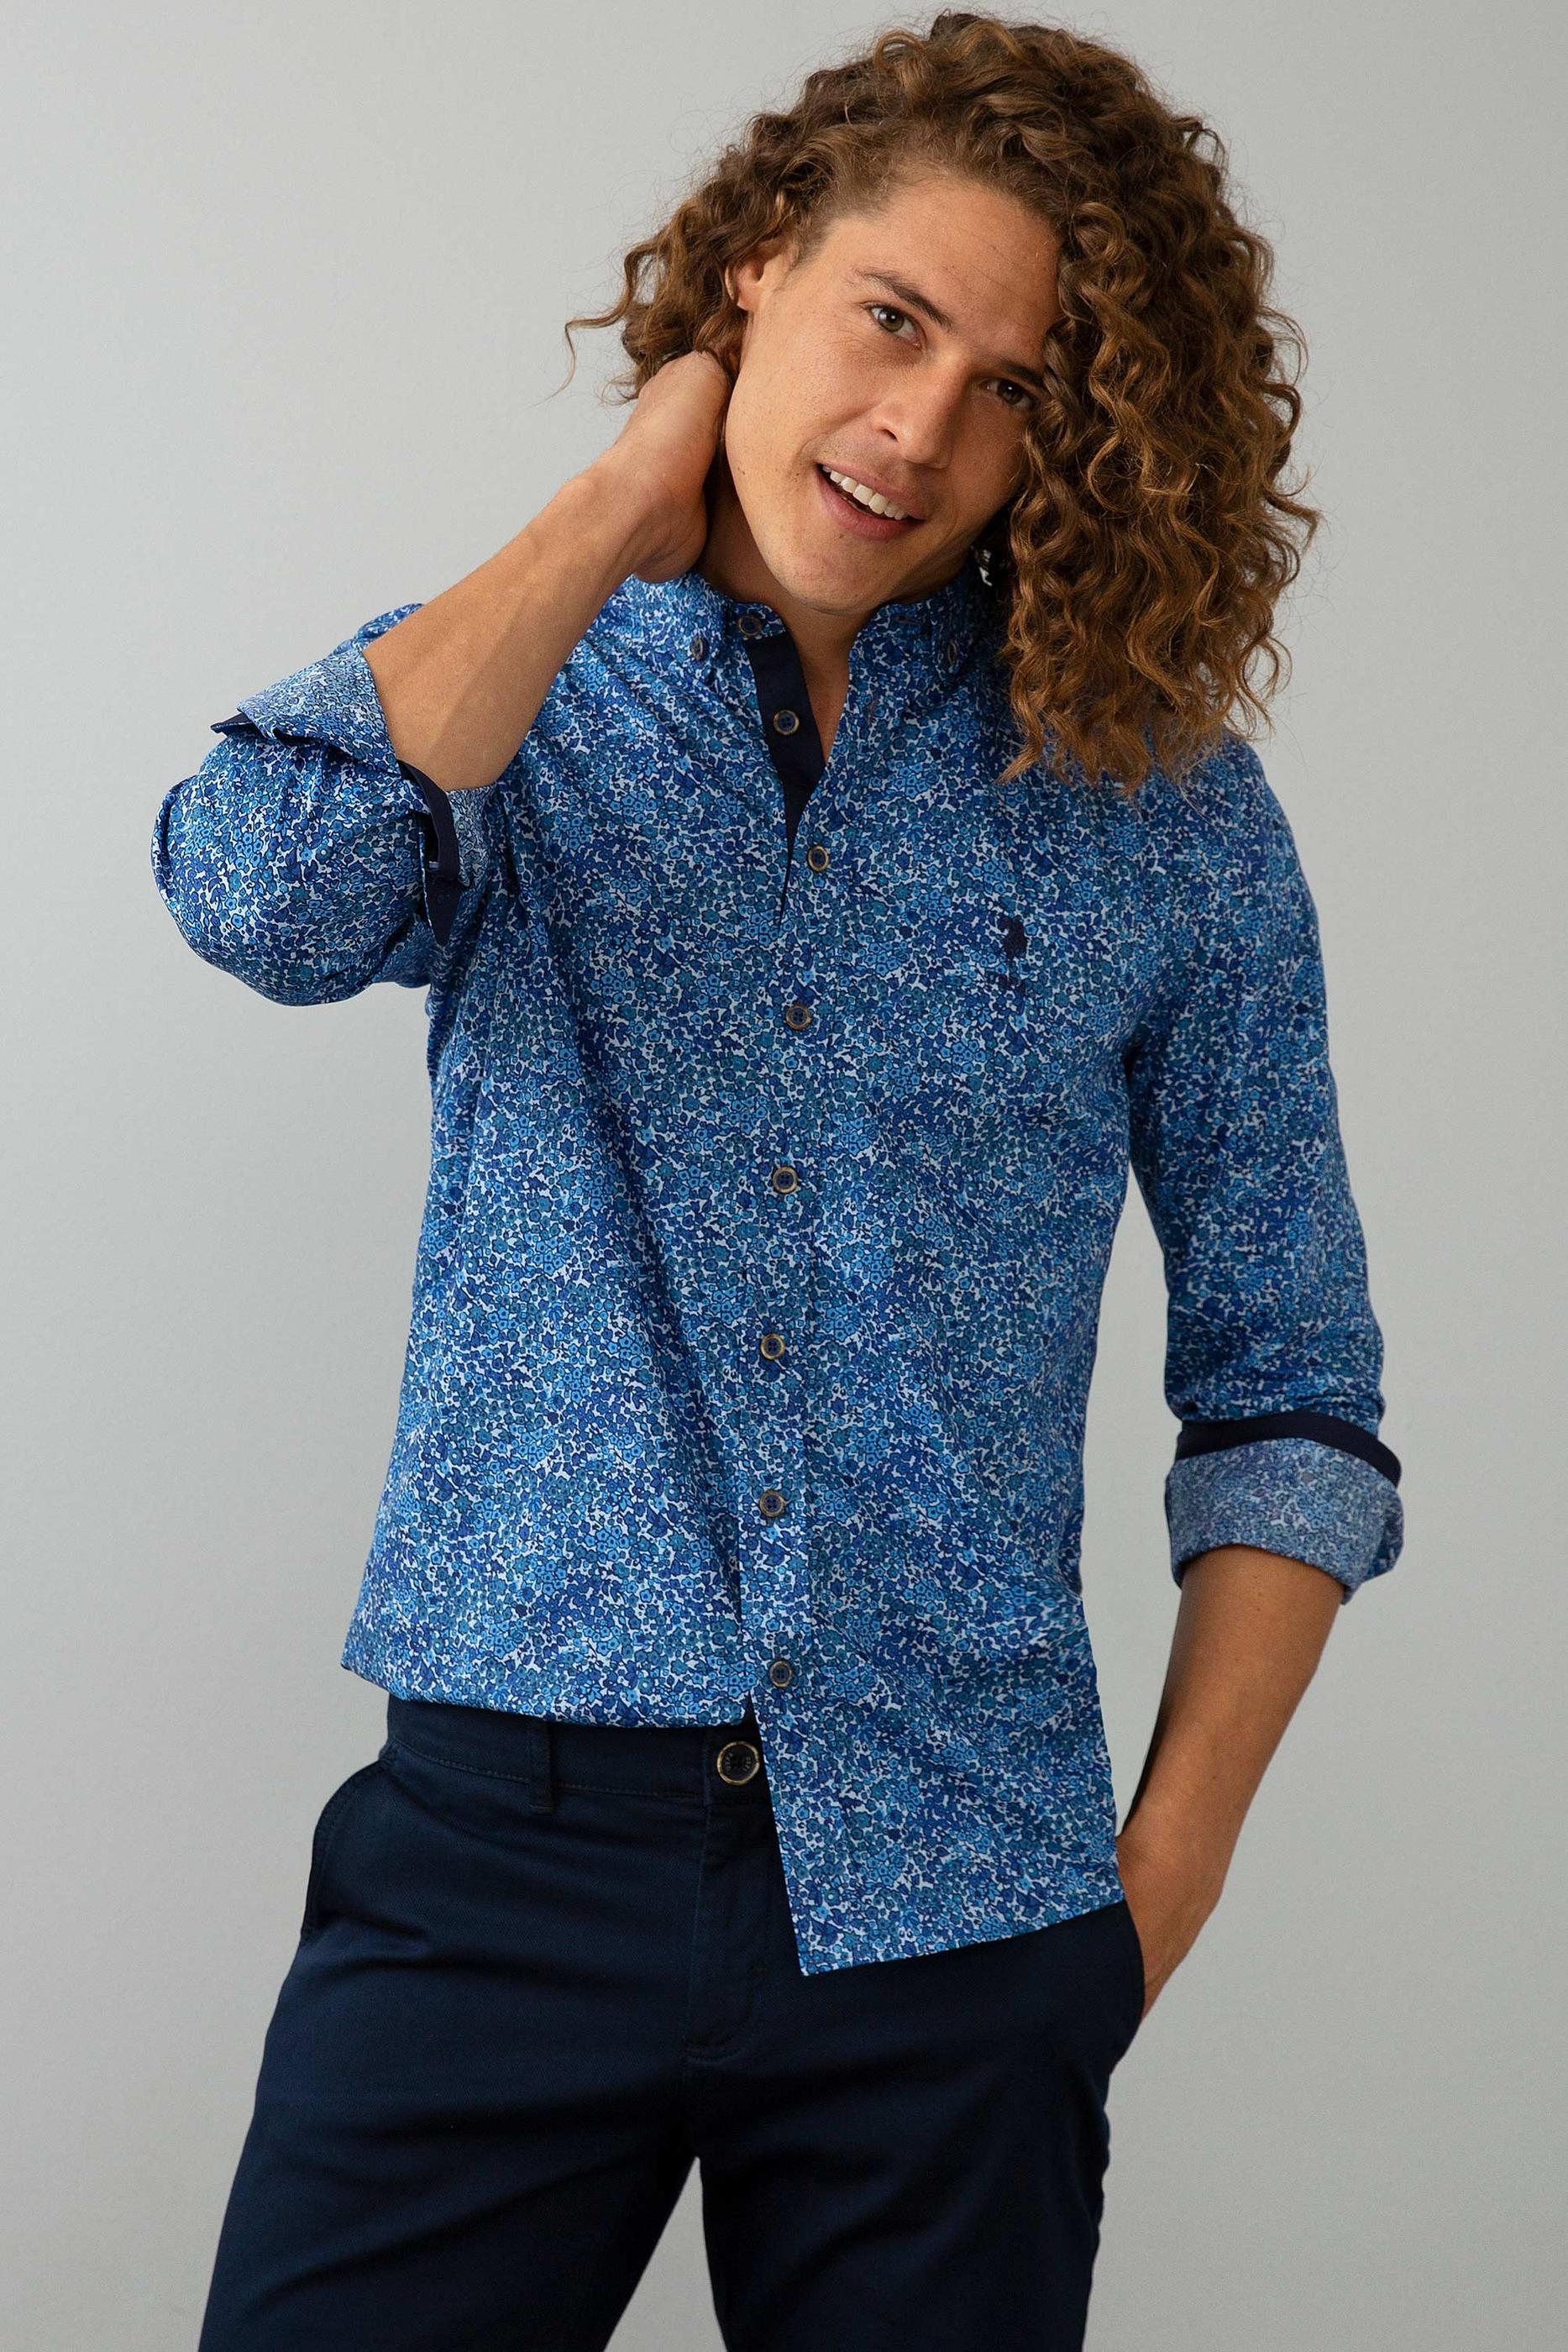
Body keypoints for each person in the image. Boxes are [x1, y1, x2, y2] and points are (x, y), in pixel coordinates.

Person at [152, 13, 1404, 2348]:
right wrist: (619, 508)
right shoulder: (509, 698)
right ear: (756, 270)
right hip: (495, 1874)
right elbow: (260, 893)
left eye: (1012, 387)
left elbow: (1291, 1387)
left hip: (960, 1901)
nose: (920, 428)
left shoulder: (1157, 810)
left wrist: (1154, 1889)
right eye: (889, 320)